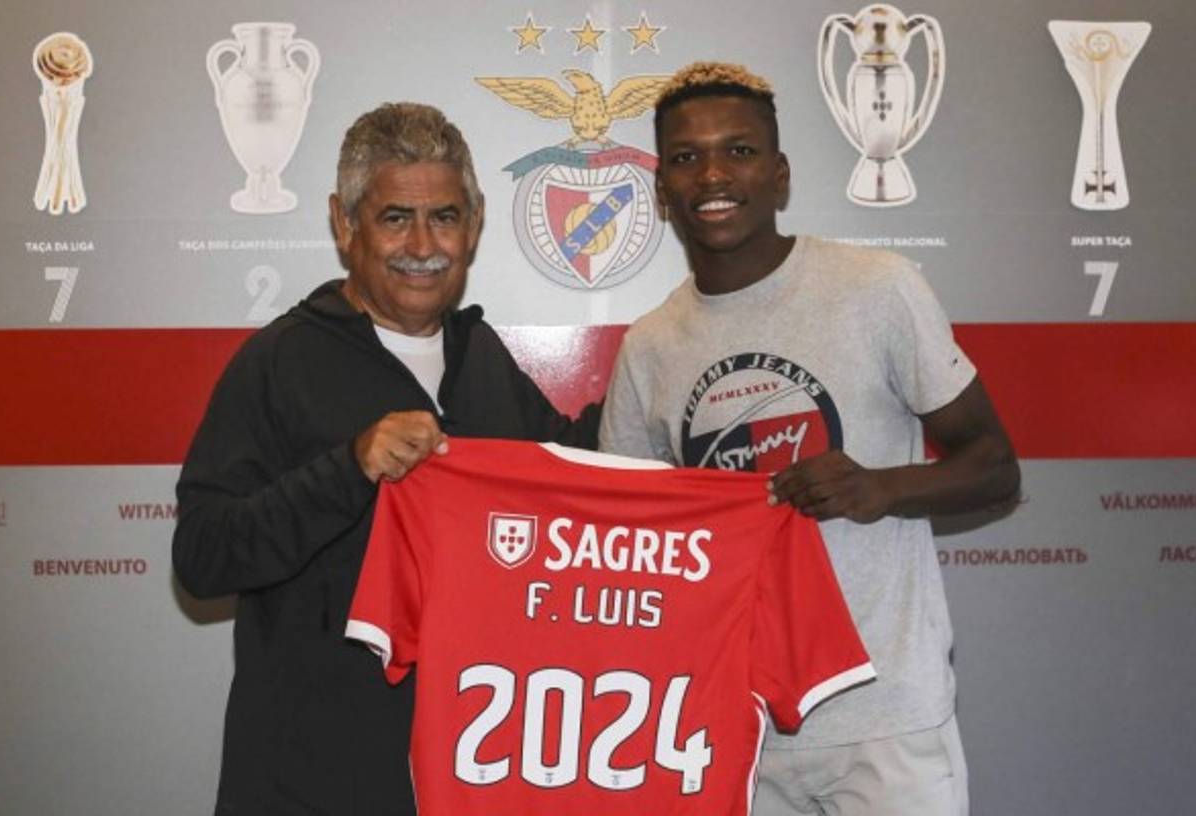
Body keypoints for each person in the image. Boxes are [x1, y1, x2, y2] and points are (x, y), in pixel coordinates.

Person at [599, 62, 1020, 816]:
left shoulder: (877, 288)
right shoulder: (650, 345)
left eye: (740, 150)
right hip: (735, 724)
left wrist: (882, 488)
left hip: (887, 720)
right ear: (662, 189)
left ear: (781, 173)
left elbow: (995, 467)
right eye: (687, 158)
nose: (714, 174)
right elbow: (636, 549)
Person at [173, 102, 598, 816]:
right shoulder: (279, 361)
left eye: (446, 217)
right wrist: (348, 468)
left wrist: (669, 386)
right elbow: (204, 556)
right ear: (345, 223)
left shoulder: (480, 357)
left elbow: (568, 474)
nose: (423, 244)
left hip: (469, 772)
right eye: (396, 217)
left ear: (477, 221)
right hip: (311, 782)